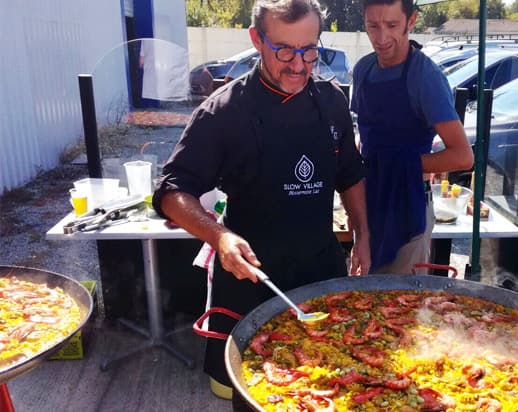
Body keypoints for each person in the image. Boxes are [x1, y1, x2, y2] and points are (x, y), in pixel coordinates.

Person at [152, 0, 370, 405]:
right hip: (251, 279)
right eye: (284, 50)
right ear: (256, 39)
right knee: (260, 395)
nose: (299, 64)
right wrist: (219, 237)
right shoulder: (224, 111)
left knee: (337, 388)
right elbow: (170, 191)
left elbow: (351, 174)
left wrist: (362, 236)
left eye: (309, 50)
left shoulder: (333, 100)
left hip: (321, 271)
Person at [351, 0, 474, 274]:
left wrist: (398, 166)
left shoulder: (425, 77)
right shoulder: (363, 71)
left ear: (411, 20)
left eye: (392, 25)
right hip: (369, 204)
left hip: (407, 207)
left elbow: (463, 156)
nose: (381, 38)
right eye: (373, 26)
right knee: (362, 298)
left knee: (399, 304)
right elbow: (365, 136)